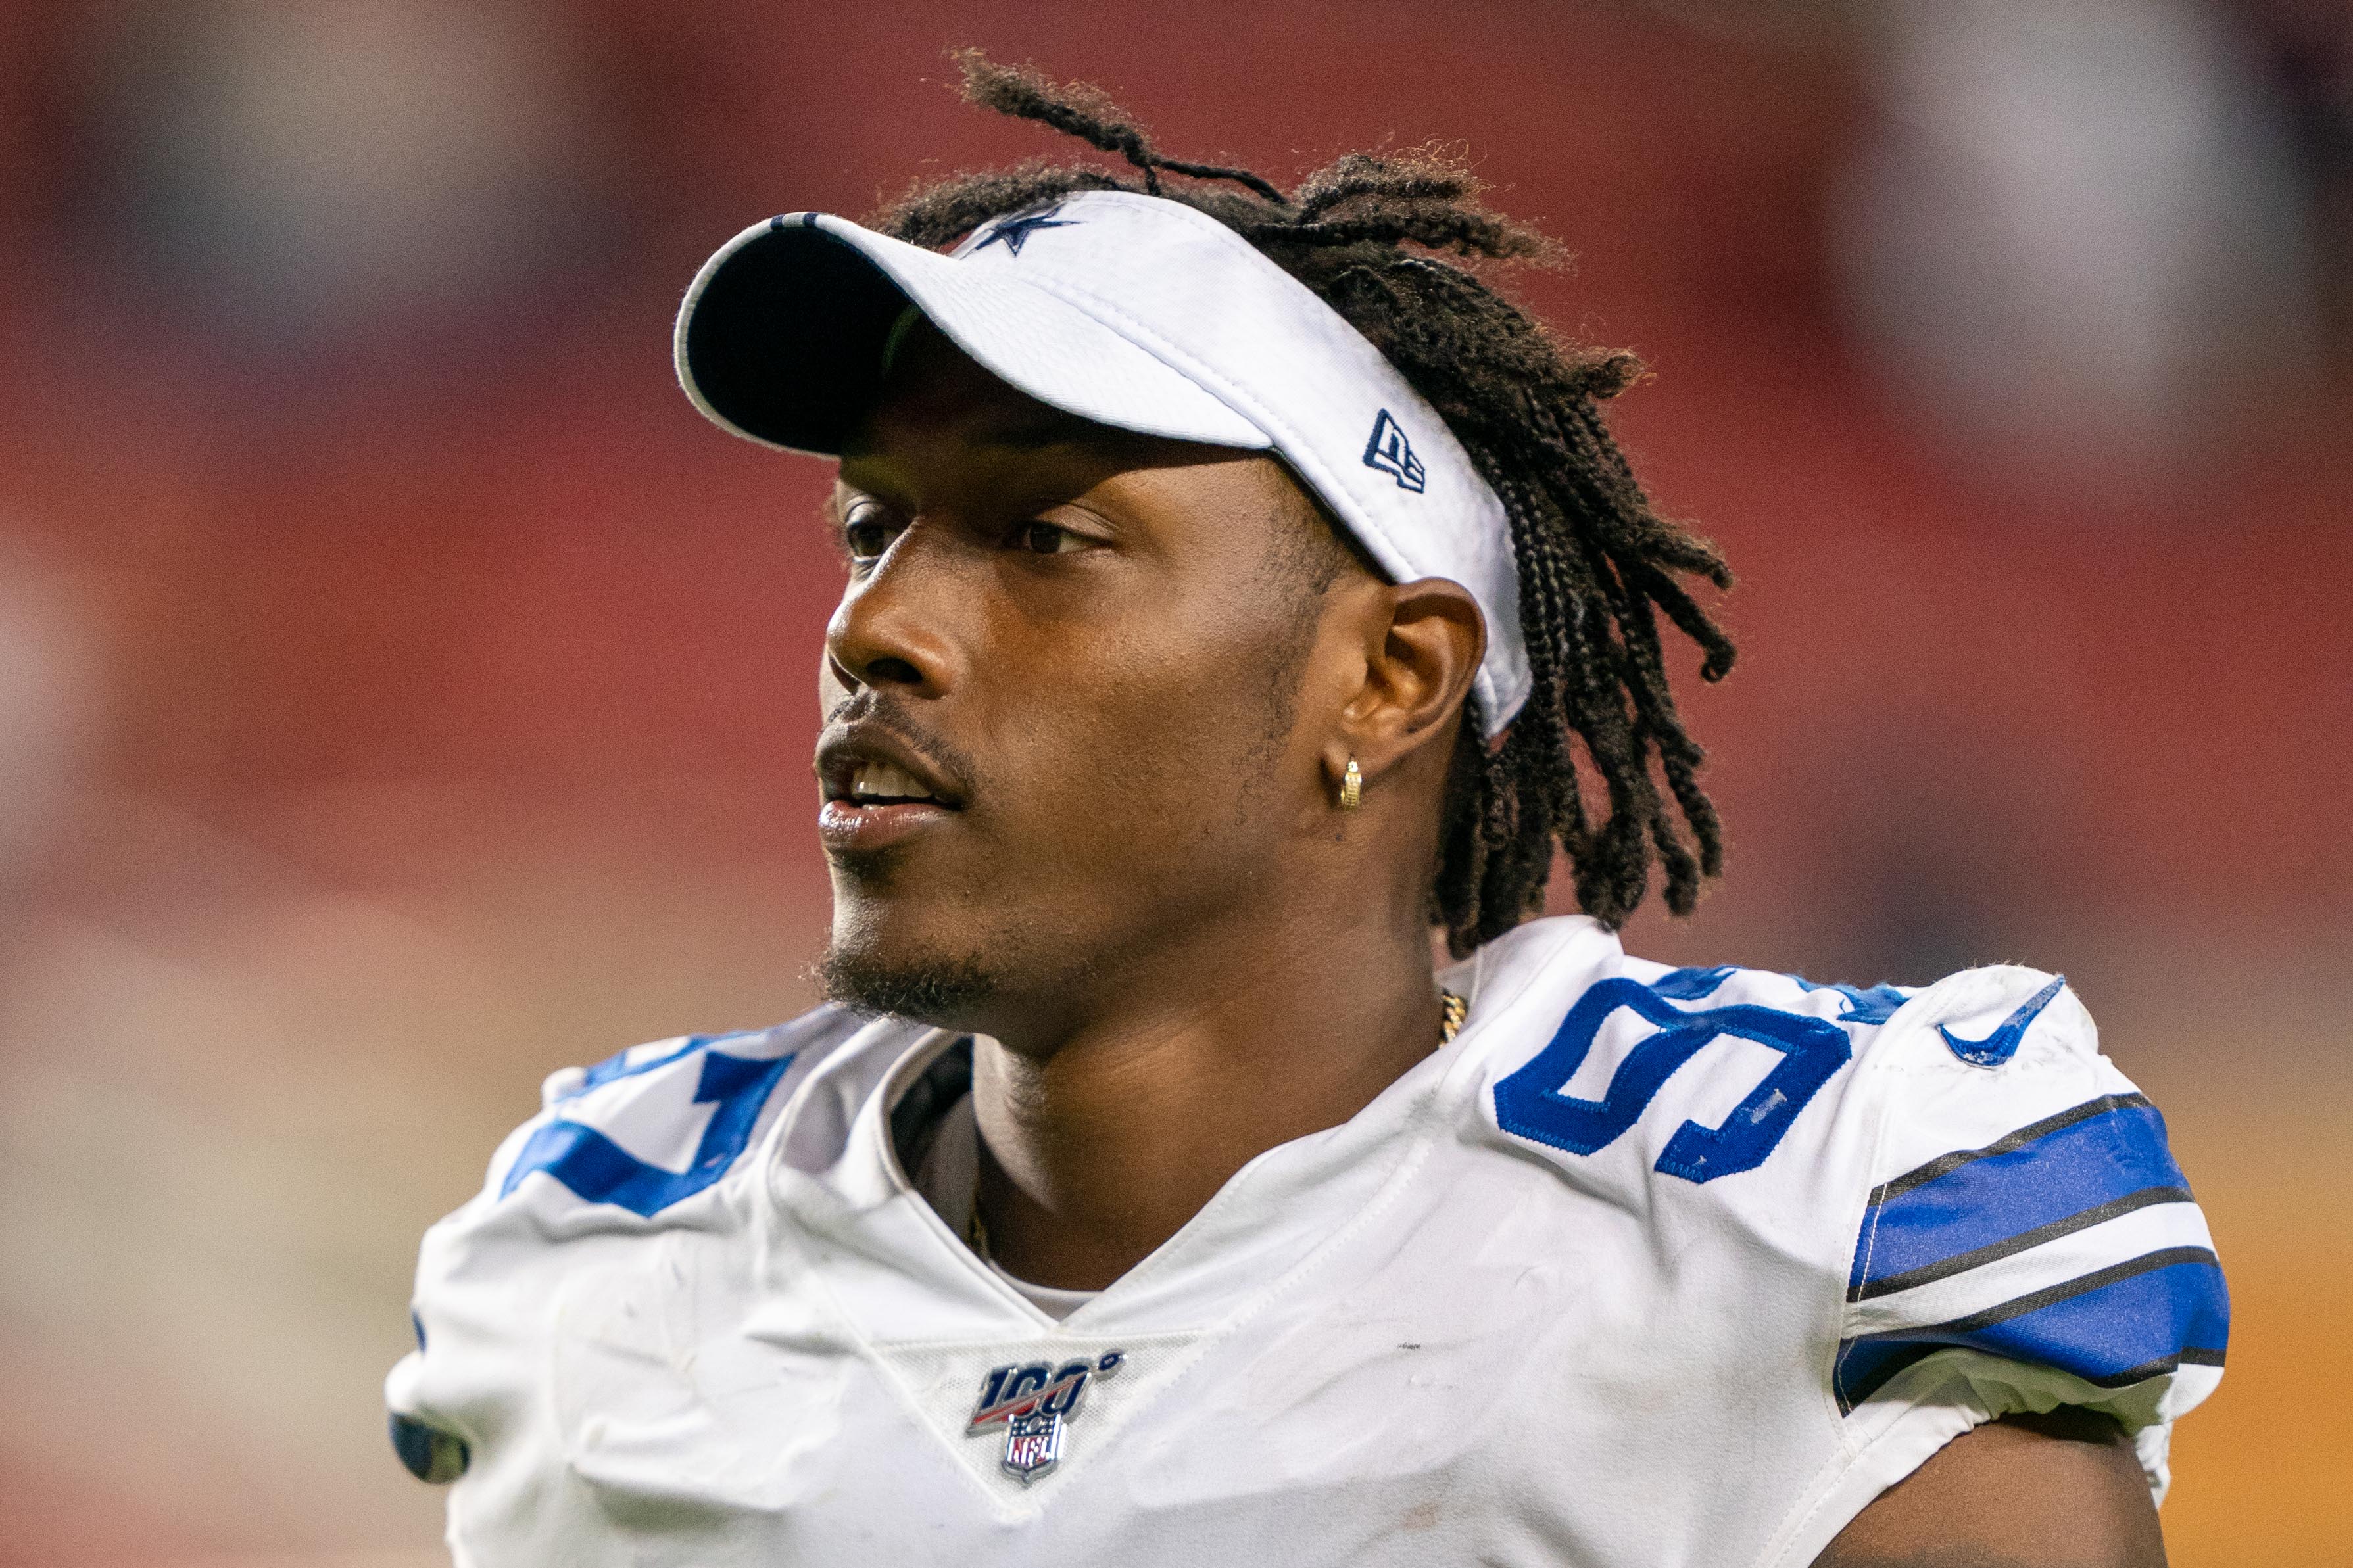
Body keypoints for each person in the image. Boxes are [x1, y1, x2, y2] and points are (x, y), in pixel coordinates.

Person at [385, 55, 2224, 1567]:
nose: (879, 627)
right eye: (877, 530)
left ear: (1386, 680)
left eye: (1044, 539)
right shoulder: (614, 1254)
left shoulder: (1786, 1215)